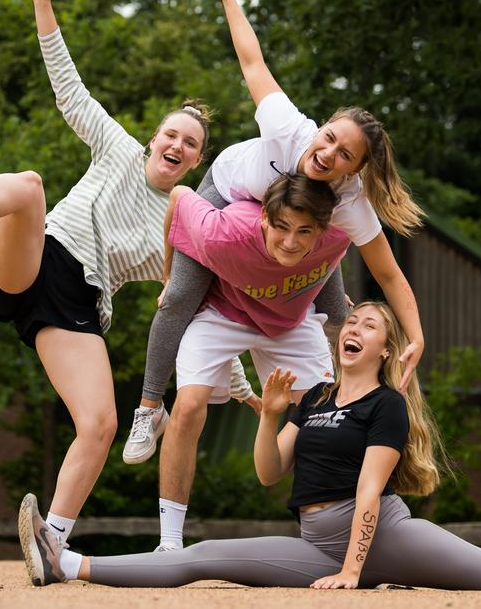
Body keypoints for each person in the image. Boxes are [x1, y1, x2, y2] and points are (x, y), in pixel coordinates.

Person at [0, 0, 250, 551]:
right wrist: (43, 2)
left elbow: (194, 305)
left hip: (75, 308)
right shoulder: (116, 147)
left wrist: (240, 384)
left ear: (196, 163)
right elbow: (69, 89)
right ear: (154, 139)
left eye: (190, 145)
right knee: (30, 187)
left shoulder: (179, 228)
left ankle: (52, 543)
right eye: (172, 134)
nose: (178, 144)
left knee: (101, 424)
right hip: (34, 260)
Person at [18, 301, 481, 597]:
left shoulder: (385, 405)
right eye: (352, 320)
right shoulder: (315, 397)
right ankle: (65, 561)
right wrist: (270, 418)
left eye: (369, 325)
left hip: (383, 537)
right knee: (202, 557)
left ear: (385, 349)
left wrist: (354, 571)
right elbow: (269, 476)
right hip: (316, 542)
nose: (353, 327)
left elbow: (371, 490)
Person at [122, 0, 428, 467]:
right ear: (320, 127)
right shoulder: (289, 129)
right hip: (229, 195)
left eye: (344, 155)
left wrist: (415, 336)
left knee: (338, 311)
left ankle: (351, 415)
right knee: (179, 297)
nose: (327, 154)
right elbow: (252, 61)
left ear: (355, 169)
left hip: (296, 225)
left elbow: (390, 274)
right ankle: (149, 407)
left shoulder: (351, 201)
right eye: (329, 138)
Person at [149, 171, 350, 551]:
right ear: (264, 219)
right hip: (223, 313)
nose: (290, 242)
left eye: (304, 232)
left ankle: (335, 532)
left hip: (291, 320)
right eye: (282, 228)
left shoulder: (340, 234)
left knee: (327, 415)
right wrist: (169, 277)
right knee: (188, 405)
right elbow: (179, 196)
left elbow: (356, 270)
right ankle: (169, 542)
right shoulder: (223, 231)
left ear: (321, 231)